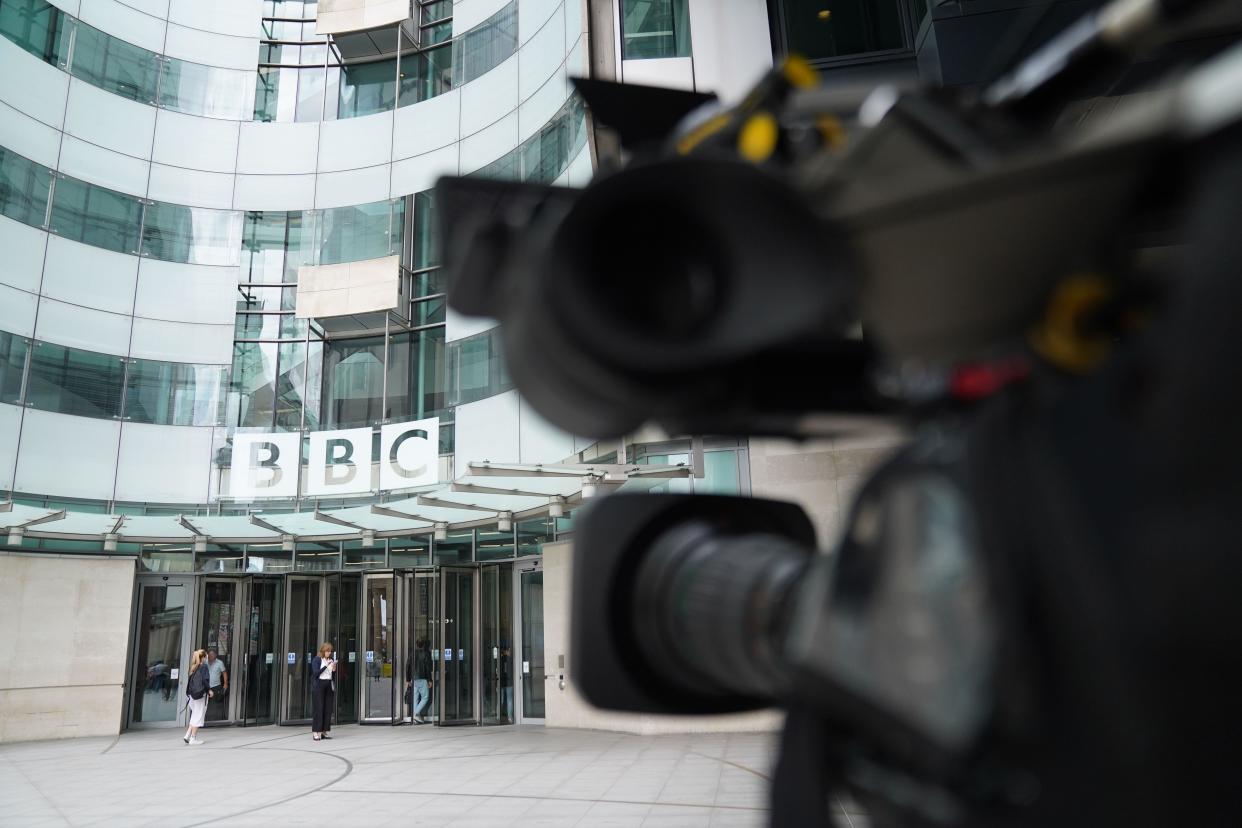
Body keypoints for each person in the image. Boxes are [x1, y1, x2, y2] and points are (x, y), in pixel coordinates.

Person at [183, 649, 212, 745]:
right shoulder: (204, 667)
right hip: (200, 695)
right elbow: (205, 680)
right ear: (203, 658)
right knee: (198, 716)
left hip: (192, 695)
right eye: (206, 657)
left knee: (194, 714)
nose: (207, 659)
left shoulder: (194, 667)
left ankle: (187, 735)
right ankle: (193, 738)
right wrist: (209, 690)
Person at [309, 642, 337, 741]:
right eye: (327, 651)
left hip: (328, 684)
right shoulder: (317, 660)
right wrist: (326, 666)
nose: (329, 653)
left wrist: (333, 669)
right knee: (319, 708)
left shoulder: (331, 660)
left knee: (327, 709)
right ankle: (316, 732)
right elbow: (316, 673)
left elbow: (332, 676)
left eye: (330, 651)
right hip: (319, 685)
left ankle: (324, 731)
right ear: (323, 651)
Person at [405, 638, 433, 724]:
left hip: (414, 679)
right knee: (425, 697)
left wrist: (408, 679)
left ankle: (415, 717)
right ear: (425, 645)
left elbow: (407, 666)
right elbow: (428, 668)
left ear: (416, 644)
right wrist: (430, 679)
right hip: (422, 678)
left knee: (416, 698)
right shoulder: (426, 653)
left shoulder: (412, 654)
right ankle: (416, 714)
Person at [206, 647, 228, 721]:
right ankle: (206, 718)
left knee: (214, 704)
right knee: (205, 703)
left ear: (215, 655)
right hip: (206, 686)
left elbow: (224, 673)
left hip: (216, 686)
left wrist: (225, 684)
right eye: (209, 655)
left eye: (212, 655)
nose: (210, 656)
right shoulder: (205, 661)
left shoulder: (220, 663)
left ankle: (214, 719)